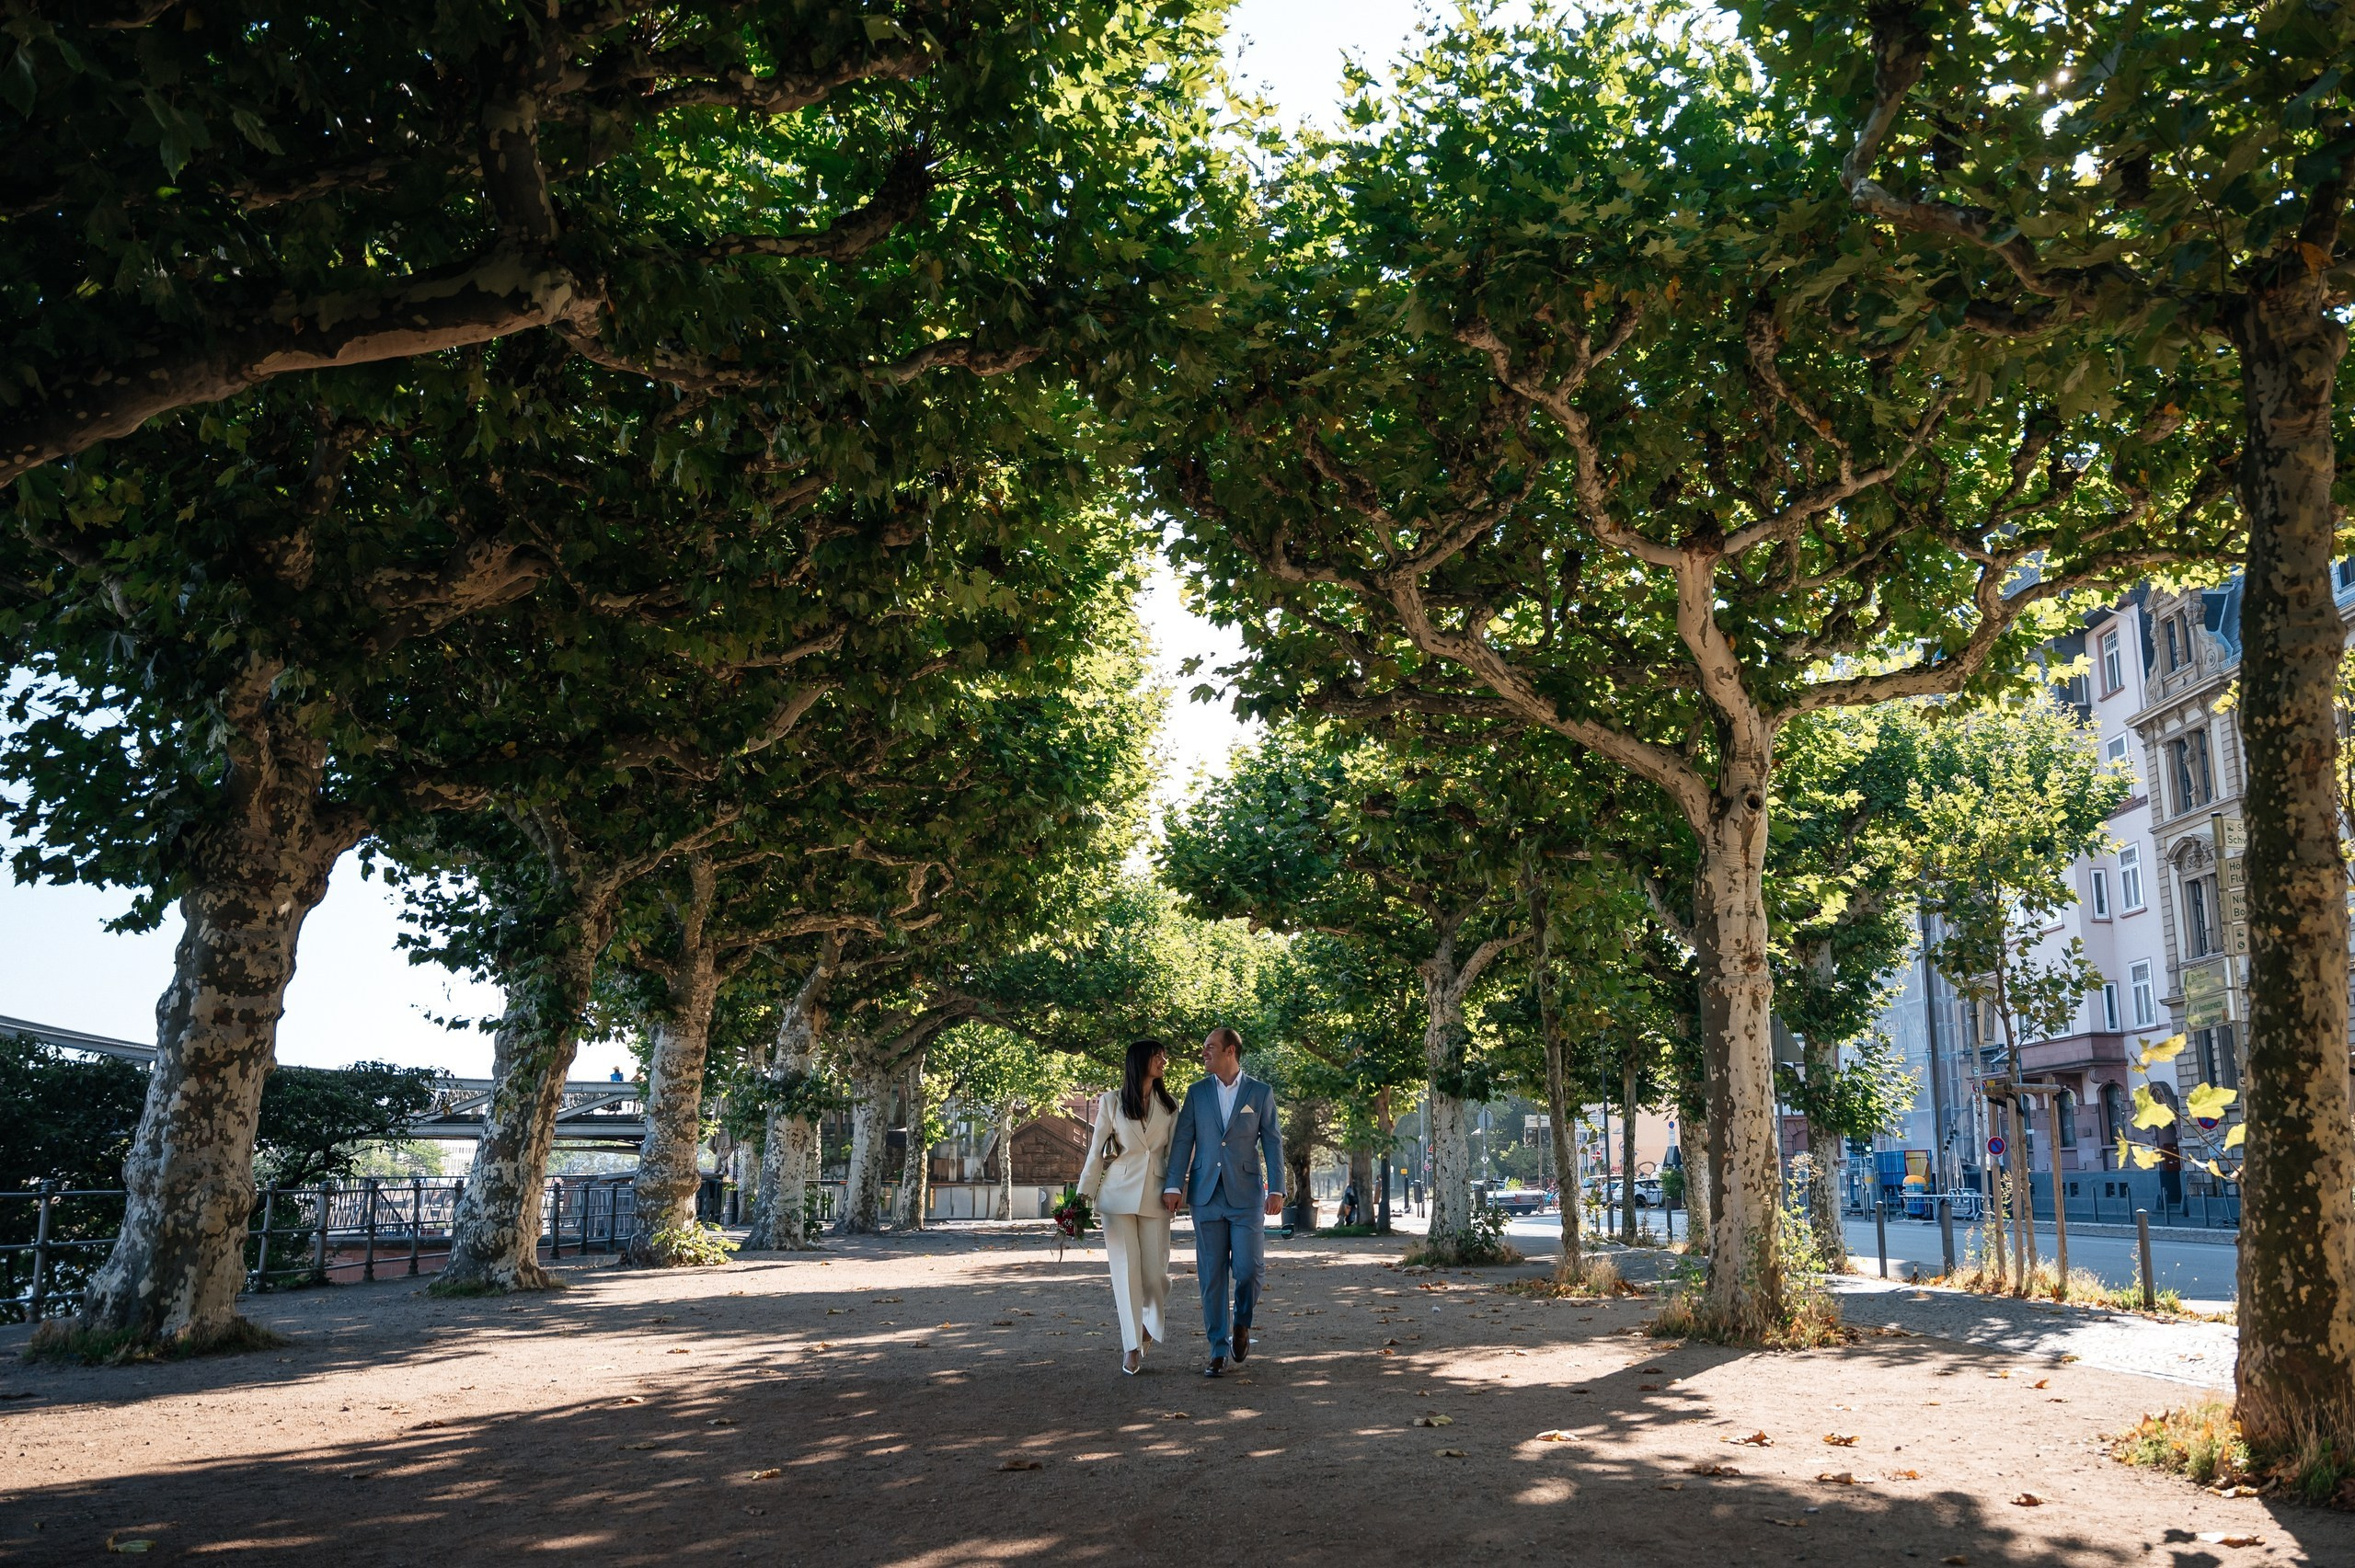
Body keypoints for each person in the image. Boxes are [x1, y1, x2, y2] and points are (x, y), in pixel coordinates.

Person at [1163, 1025, 1284, 1379]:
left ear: (1230, 1051)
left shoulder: (1260, 1092)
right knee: (1211, 1277)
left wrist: (1277, 1187)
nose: (1204, 1053)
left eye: (1210, 1047)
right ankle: (1217, 1349)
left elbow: (1273, 1142)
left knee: (1249, 1270)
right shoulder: (1196, 1093)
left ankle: (1241, 1323)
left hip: (1246, 1196)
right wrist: (1174, 1184)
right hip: (1205, 1195)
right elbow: (1184, 1140)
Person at [1077, 1038, 1179, 1375]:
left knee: (1154, 1277)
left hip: (1157, 1195)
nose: (1164, 1060)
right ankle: (1131, 1346)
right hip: (1117, 1197)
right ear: (1140, 1060)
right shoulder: (1111, 1101)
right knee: (1125, 1273)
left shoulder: (1170, 1105)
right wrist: (1082, 1197)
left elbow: (1174, 1155)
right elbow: (1095, 1152)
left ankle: (1149, 1326)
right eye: (1157, 1055)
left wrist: (1178, 1189)